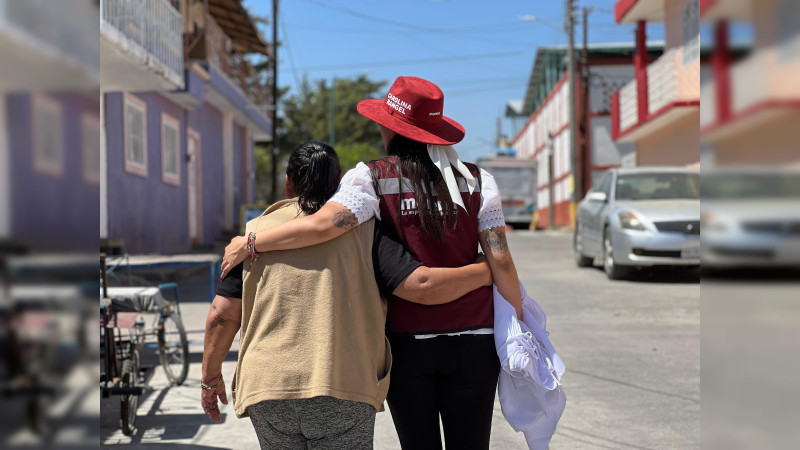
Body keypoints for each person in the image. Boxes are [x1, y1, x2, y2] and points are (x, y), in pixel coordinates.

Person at [220, 77, 525, 449]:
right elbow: (501, 261)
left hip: (408, 343)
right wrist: (518, 328)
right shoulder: (477, 180)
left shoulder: (372, 177)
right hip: (475, 340)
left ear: (389, 126)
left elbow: (322, 226)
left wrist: (252, 242)